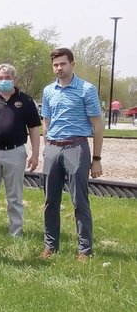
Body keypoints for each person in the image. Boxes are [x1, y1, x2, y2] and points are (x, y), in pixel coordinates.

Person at [40, 47, 103, 261]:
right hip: (53, 148)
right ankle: (50, 246)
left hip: (76, 147)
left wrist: (96, 159)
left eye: (63, 64)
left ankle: (84, 250)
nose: (59, 68)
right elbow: (46, 120)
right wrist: (47, 144)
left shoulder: (87, 89)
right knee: (50, 200)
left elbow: (97, 125)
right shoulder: (49, 91)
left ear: (72, 64)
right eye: (55, 65)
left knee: (79, 201)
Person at [0, 63, 41, 236]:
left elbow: (35, 129)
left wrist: (35, 154)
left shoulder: (27, 101)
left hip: (15, 153)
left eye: (7, 78)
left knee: (15, 196)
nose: (4, 81)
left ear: (14, 79)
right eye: (0, 78)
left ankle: (16, 232)